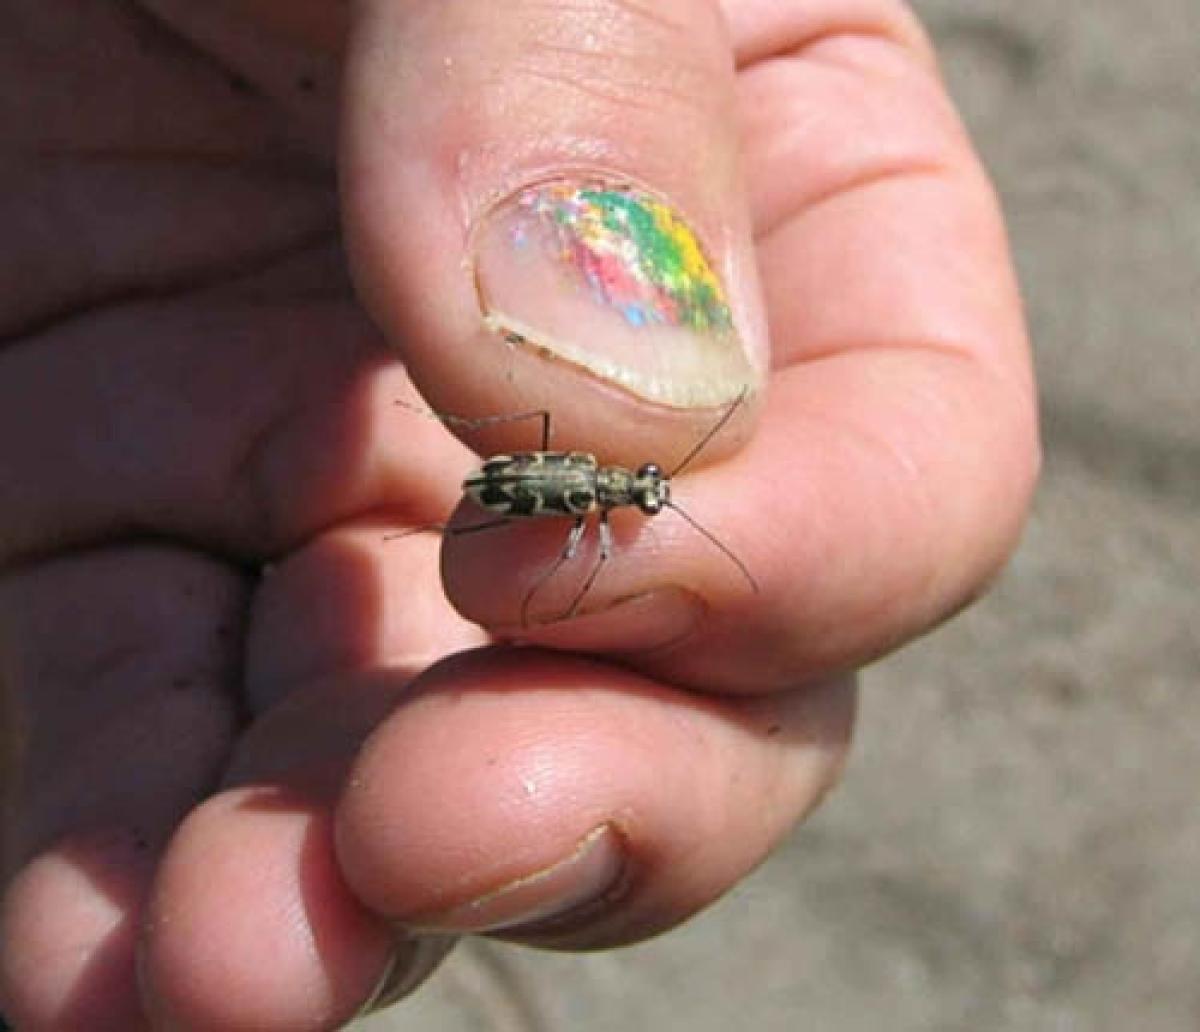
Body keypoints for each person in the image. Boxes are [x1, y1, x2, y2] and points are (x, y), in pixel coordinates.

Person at [0, 1, 1038, 1027]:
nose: (639, 498)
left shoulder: (615, 503)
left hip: (488, 482)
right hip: (506, 456)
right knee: (564, 466)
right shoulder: (603, 475)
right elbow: (553, 473)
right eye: (641, 491)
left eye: (641, 495)